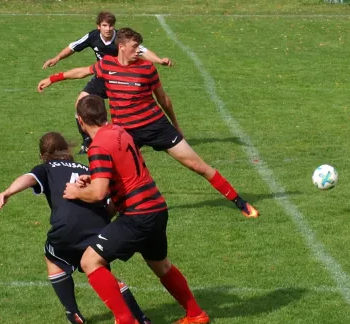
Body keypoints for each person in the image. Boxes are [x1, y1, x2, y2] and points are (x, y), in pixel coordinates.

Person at [37, 28, 259, 219]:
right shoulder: (107, 65)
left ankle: (240, 202)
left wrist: (176, 126)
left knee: (198, 166)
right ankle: (104, 220)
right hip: (125, 134)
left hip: (157, 127)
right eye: (134, 46)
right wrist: (53, 78)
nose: (138, 50)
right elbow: (81, 72)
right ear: (121, 46)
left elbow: (164, 99)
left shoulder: (147, 69)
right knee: (116, 178)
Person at [62, 95, 210, 324]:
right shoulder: (120, 131)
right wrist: (96, 177)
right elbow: (120, 170)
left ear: (80, 121)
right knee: (161, 265)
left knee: (89, 261)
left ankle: (126, 323)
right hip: (156, 207)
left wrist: (76, 191)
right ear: (104, 114)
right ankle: (195, 313)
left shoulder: (97, 146)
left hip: (137, 215)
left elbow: (99, 194)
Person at [0, 131, 153, 324]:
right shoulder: (87, 170)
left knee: (52, 257)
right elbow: (111, 202)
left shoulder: (47, 168)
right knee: (102, 272)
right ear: (67, 149)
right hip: (100, 227)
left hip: (66, 228)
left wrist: (7, 192)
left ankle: (72, 312)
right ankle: (141, 318)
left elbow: (29, 178)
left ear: (43, 155)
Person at [42, 11, 172, 155]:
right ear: (98, 26)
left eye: (111, 25)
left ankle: (126, 136)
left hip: (122, 79)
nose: (108, 29)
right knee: (80, 102)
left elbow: (143, 50)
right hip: (103, 75)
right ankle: (87, 141)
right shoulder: (93, 37)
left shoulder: (122, 40)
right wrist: (57, 59)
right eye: (104, 25)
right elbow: (73, 47)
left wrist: (159, 60)